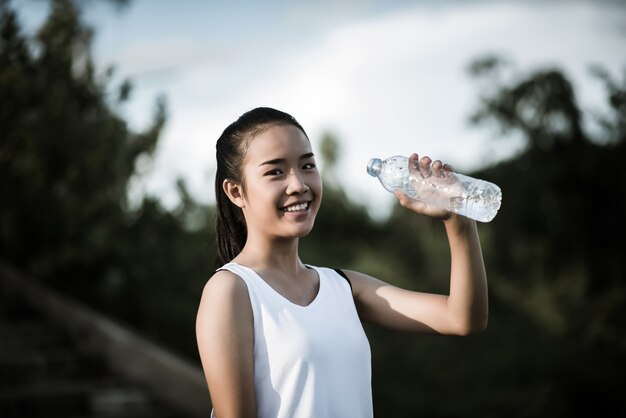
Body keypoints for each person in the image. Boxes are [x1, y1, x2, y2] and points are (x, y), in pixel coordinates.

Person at [195, 107, 488, 418]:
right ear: (236, 191)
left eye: (307, 165)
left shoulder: (344, 286)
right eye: (275, 171)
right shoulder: (230, 291)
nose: (298, 184)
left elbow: (463, 318)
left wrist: (457, 219)